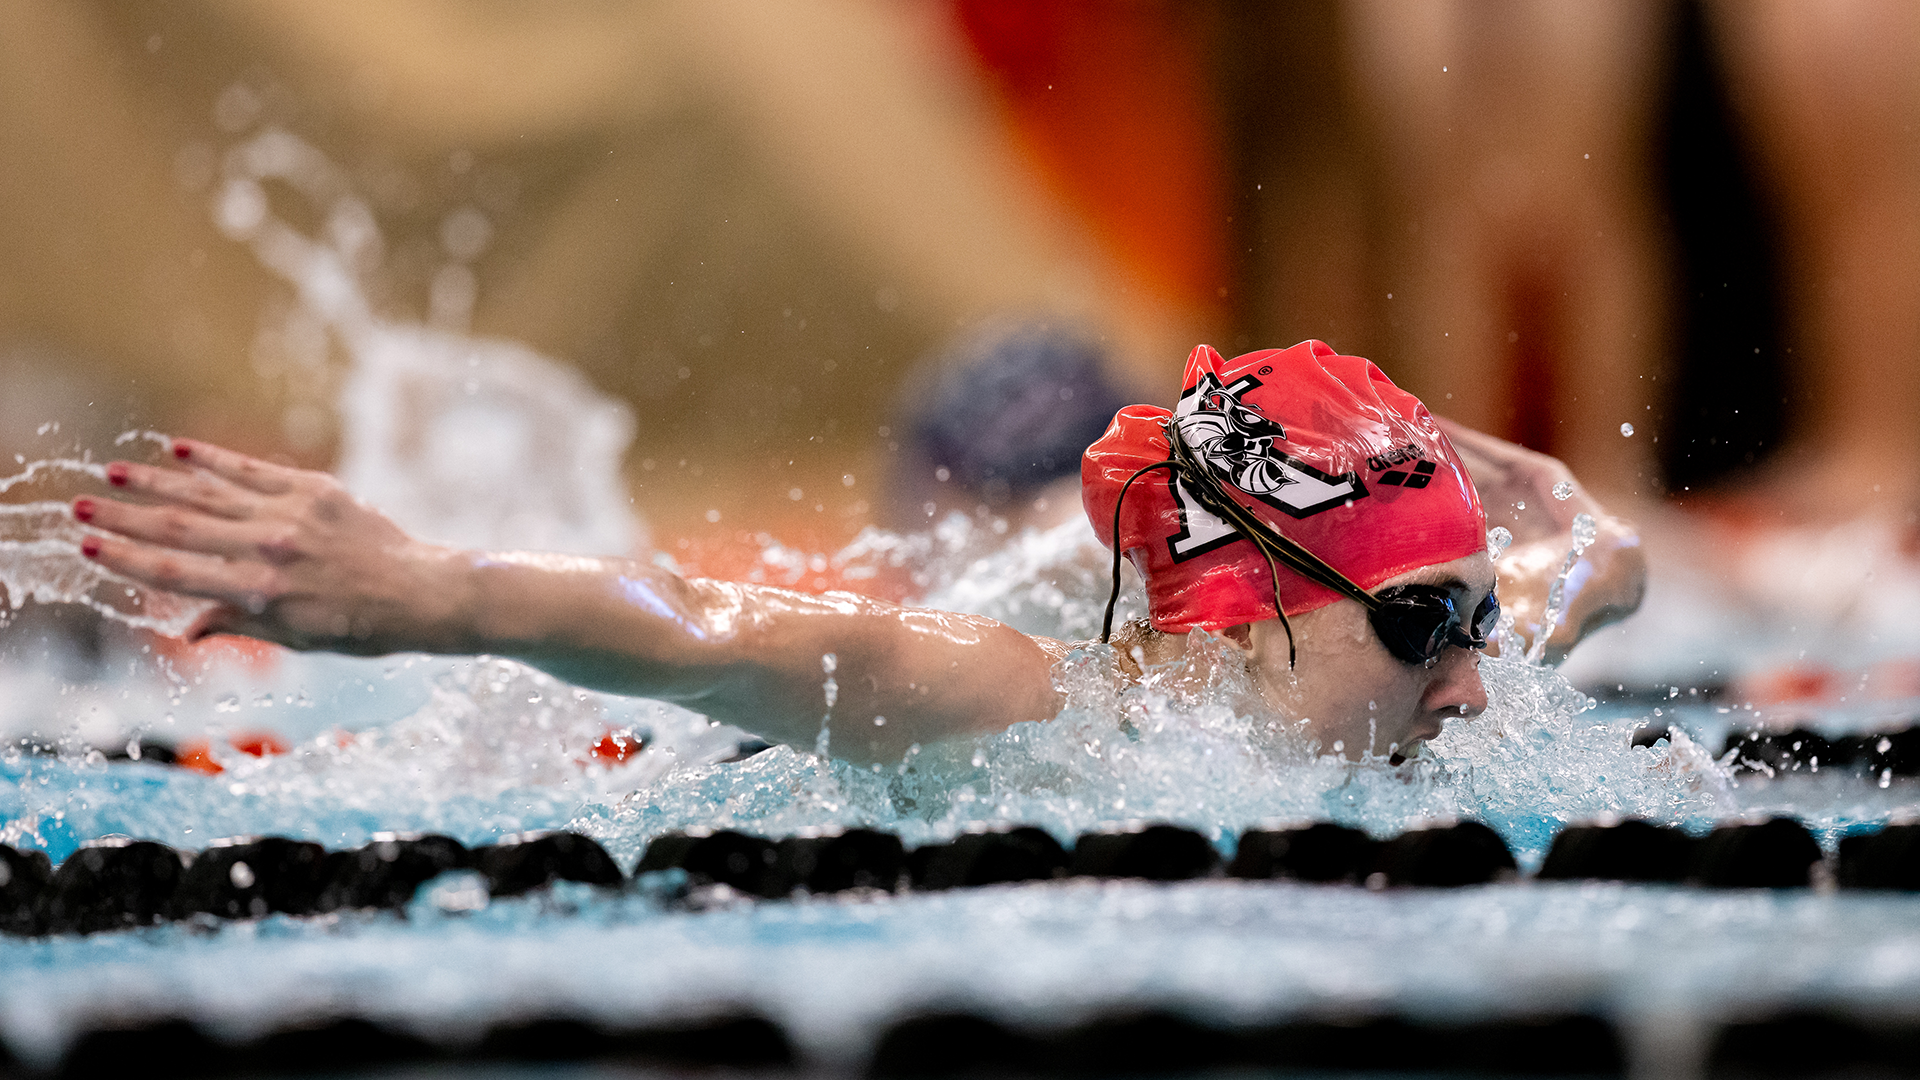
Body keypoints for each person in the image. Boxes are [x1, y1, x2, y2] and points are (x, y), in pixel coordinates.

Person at [68, 341, 1642, 767]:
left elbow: (1595, 579)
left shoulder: (1397, 682)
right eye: (1434, 623)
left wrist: (1581, 526)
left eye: (1482, 623)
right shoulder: (1022, 709)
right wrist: (428, 591)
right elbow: (707, 626)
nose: (1477, 684)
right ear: (1233, 615)